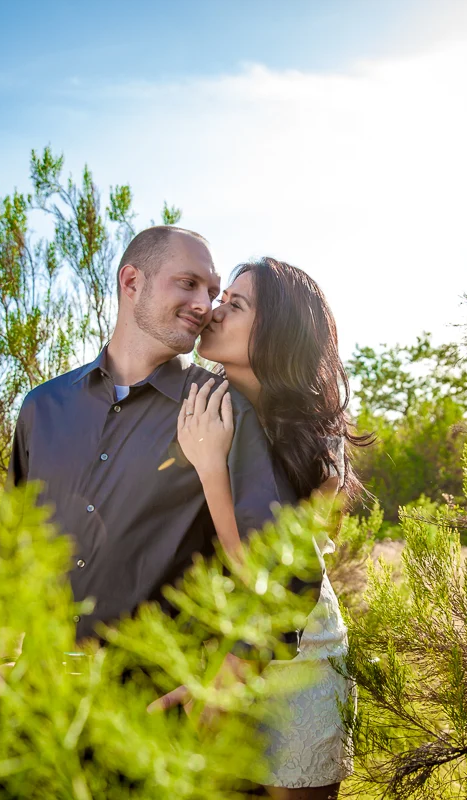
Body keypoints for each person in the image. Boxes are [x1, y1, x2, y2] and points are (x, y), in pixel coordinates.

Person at [0, 227, 318, 788]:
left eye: (213, 291)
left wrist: (227, 676)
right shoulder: (42, 408)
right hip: (34, 713)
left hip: (153, 725)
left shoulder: (220, 410)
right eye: (189, 284)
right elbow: (17, 549)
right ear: (131, 282)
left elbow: (288, 570)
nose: (205, 305)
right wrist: (6, 653)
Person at [175, 257, 369, 800]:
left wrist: (212, 469)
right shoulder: (207, 404)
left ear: (278, 333)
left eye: (235, 305)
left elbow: (272, 579)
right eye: (222, 299)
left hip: (301, 661)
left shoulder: (318, 442)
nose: (214, 311)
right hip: (225, 652)